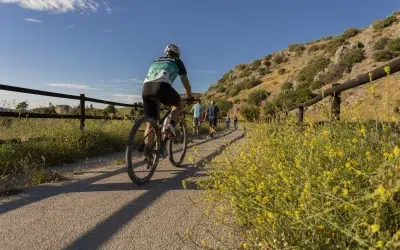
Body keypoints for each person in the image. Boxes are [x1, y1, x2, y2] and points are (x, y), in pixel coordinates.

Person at [142, 44, 192, 157]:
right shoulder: (177, 61)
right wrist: (189, 97)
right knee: (177, 105)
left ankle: (148, 152)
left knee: (150, 124)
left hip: (146, 88)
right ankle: (171, 126)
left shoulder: (156, 60)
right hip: (162, 87)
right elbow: (186, 84)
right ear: (177, 53)